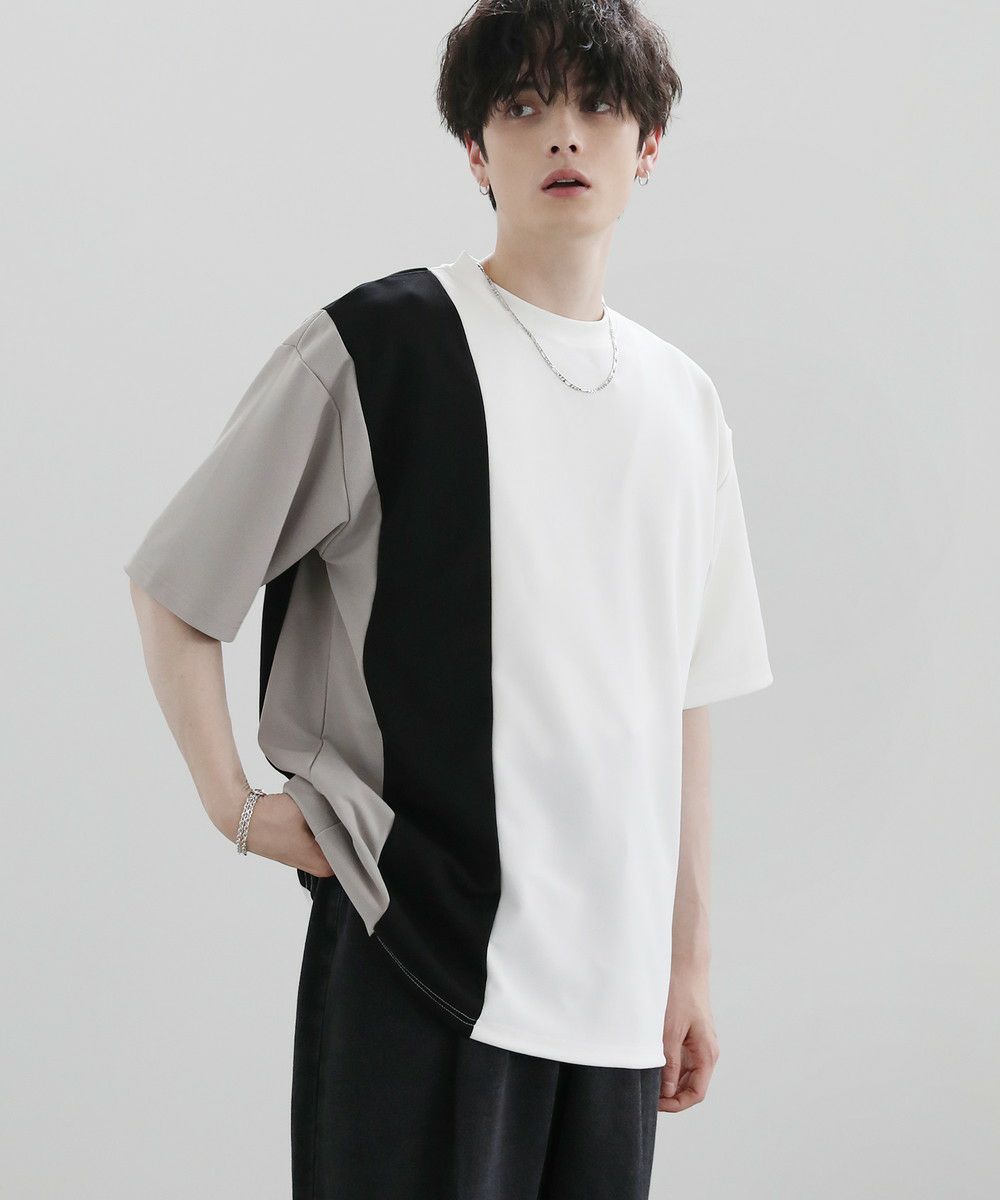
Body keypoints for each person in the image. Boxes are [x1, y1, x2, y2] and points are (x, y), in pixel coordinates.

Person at [124, 2, 774, 1196]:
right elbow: (177, 583)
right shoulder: (382, 347)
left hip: (615, 996)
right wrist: (235, 804)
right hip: (417, 954)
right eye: (522, 107)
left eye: (596, 105)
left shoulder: (685, 405)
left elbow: (684, 697)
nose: (562, 134)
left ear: (648, 145)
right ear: (475, 150)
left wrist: (686, 964)